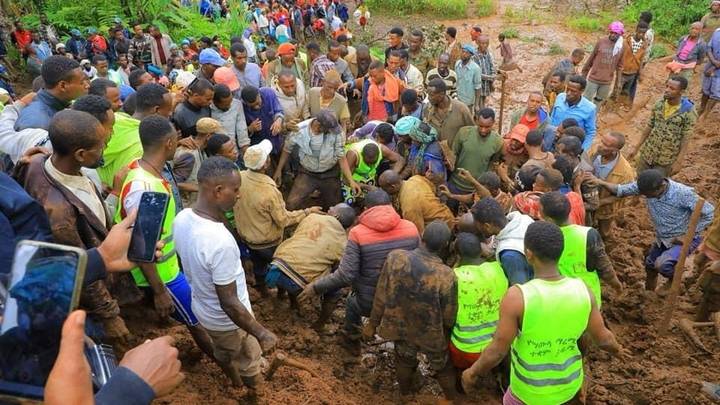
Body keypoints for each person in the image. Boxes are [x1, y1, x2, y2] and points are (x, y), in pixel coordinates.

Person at [461, 221, 627, 404]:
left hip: (528, 393)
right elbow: (603, 339)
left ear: (528, 254)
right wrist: (618, 351)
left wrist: (472, 372)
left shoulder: (517, 297)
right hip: (568, 388)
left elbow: (498, 351)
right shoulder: (583, 290)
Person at [13, 106, 130, 340]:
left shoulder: (38, 160)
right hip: (86, 303)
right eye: (102, 146)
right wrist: (110, 315)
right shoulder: (59, 214)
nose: (105, 149)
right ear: (80, 155)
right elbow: (78, 266)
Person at [174, 157, 277, 400]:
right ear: (219, 191)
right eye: (236, 189)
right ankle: (252, 389)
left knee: (223, 351)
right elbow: (229, 302)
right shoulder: (219, 242)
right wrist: (262, 333)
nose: (239, 195)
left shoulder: (183, 218)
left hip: (203, 310)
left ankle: (232, 377)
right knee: (249, 357)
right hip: (229, 322)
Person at [115, 115, 216, 359]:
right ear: (169, 143)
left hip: (164, 268)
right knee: (198, 323)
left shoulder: (137, 170)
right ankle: (234, 373)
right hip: (162, 275)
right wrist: (159, 290)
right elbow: (142, 246)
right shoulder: (149, 190)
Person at [300, 189, 419, 358]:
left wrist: (316, 287)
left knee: (351, 303)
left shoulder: (358, 233)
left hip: (369, 303)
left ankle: (351, 341)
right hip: (405, 301)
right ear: (391, 206)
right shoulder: (411, 229)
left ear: (366, 209)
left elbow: (346, 275)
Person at [364, 221, 458, 401]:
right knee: (443, 366)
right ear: (445, 245)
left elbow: (381, 294)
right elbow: (449, 316)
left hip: (399, 325)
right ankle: (451, 398)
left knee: (404, 359)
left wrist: (372, 324)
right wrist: (446, 335)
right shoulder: (446, 275)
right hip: (430, 332)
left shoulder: (395, 258)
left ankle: (405, 395)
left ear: (422, 236)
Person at [594, 169, 715, 291]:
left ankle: (677, 281)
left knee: (663, 265)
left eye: (648, 195)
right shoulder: (647, 187)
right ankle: (649, 293)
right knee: (650, 266)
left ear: (661, 187)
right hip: (662, 238)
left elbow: (709, 212)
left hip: (682, 239)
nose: (645, 197)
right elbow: (621, 190)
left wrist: (688, 235)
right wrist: (600, 182)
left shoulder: (682, 194)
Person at [234, 139, 321, 295]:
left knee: (258, 266)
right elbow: (283, 220)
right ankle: (281, 293)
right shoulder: (269, 191)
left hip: (247, 237)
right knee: (278, 267)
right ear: (266, 164)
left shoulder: (238, 177)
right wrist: (307, 212)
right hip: (267, 241)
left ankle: (263, 290)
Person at [267, 203, 356, 329]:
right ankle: (319, 325)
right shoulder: (343, 242)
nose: (328, 208)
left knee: (296, 253)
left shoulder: (312, 217)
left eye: (332, 208)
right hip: (298, 285)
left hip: (274, 269)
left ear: (335, 215)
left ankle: (289, 301)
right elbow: (339, 273)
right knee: (334, 290)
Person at [540, 191, 623, 307]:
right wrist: (617, 286)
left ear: (548, 219)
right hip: (588, 299)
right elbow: (604, 267)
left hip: (559, 302)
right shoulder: (588, 234)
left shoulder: (541, 238)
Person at [449, 232, 508, 370]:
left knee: (460, 369)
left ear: (458, 255)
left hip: (464, 347)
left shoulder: (454, 276)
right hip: (496, 346)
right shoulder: (498, 269)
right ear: (481, 249)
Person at [275, 110, 353, 210]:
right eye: (328, 130)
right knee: (290, 204)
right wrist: (278, 170)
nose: (331, 132)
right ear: (318, 126)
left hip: (330, 174)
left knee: (335, 207)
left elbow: (341, 157)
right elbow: (287, 149)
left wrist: (351, 181)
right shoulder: (299, 129)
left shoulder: (336, 132)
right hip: (307, 173)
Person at [628, 76, 696, 176]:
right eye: (667, 86)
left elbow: (686, 137)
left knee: (655, 187)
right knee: (640, 181)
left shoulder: (688, 111)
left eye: (672, 88)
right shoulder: (659, 104)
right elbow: (649, 126)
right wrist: (636, 148)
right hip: (648, 153)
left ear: (681, 92)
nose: (667, 90)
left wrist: (679, 161)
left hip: (666, 160)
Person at [582, 132, 635, 239]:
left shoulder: (625, 171)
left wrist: (599, 203)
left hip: (605, 208)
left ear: (615, 150)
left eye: (606, 145)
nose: (601, 145)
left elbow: (622, 194)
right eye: (602, 141)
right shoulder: (594, 151)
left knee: (604, 232)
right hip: (586, 199)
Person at [472, 197, 535, 285]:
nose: (477, 229)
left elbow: (520, 288)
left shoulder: (510, 255)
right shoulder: (523, 219)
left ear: (487, 226)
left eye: (477, 225)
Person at [15, 56, 89, 131]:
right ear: (63, 86)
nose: (87, 85)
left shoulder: (55, 106)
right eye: (82, 82)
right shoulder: (37, 126)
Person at [449, 108, 502, 195]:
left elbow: (492, 164)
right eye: (480, 126)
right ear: (476, 121)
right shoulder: (464, 132)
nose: (483, 130)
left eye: (487, 127)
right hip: (455, 185)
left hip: (476, 190)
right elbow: (453, 155)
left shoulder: (498, 142)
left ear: (493, 123)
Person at [397, 167, 455, 234]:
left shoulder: (409, 206)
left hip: (442, 228)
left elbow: (417, 232)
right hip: (447, 216)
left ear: (393, 186)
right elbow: (433, 188)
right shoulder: (415, 178)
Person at [582, 22, 625, 106]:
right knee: (586, 100)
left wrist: (618, 82)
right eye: (611, 32)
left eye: (615, 33)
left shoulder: (621, 47)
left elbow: (620, 66)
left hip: (607, 81)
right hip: (594, 78)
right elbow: (591, 58)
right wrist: (584, 73)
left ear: (620, 34)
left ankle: (593, 117)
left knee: (598, 102)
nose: (613, 35)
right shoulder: (601, 42)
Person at [550, 74, 597, 150]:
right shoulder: (560, 97)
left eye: (573, 91)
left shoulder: (590, 108)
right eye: (567, 89)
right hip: (552, 141)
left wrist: (582, 150)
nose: (568, 93)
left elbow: (590, 133)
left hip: (569, 148)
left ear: (582, 91)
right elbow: (552, 116)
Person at [423, 78, 473, 147]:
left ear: (442, 94)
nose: (428, 98)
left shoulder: (461, 109)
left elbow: (472, 132)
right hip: (436, 155)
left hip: (456, 155)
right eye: (428, 94)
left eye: (431, 95)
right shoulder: (427, 110)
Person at [240, 85, 285, 154]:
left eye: (258, 103)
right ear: (246, 103)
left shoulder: (268, 93)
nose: (256, 107)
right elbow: (241, 133)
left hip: (276, 138)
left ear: (259, 95)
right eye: (252, 106)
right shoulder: (241, 107)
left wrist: (278, 120)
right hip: (259, 143)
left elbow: (278, 110)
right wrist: (250, 129)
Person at [210, 83, 249, 160]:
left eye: (230, 101)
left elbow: (242, 129)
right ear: (215, 102)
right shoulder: (208, 109)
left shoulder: (237, 104)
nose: (229, 106)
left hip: (235, 152)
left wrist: (246, 150)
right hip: (218, 156)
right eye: (226, 105)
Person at [618, 22, 649, 107]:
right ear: (636, 30)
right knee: (617, 89)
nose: (641, 34)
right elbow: (620, 55)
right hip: (623, 71)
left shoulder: (643, 45)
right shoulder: (626, 41)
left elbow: (641, 60)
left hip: (633, 72)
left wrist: (640, 73)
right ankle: (611, 106)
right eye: (639, 32)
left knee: (626, 91)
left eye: (643, 33)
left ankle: (620, 106)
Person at [473, 35, 500, 111]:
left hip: (486, 84)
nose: (484, 45)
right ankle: (478, 118)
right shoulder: (474, 55)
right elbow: (476, 73)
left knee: (483, 101)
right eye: (482, 43)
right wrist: (490, 77)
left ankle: (481, 117)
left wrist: (492, 80)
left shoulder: (489, 54)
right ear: (478, 43)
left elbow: (492, 66)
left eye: (486, 43)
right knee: (478, 103)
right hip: (477, 84)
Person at [455, 44, 483, 115]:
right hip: (457, 99)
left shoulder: (475, 68)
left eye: (466, 53)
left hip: (468, 102)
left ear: (471, 55)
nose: (463, 54)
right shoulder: (457, 64)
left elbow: (478, 87)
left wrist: (476, 104)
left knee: (467, 120)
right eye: (463, 52)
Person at [700, 27, 720, 120]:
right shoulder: (717, 31)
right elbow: (709, 48)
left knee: (716, 94)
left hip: (716, 69)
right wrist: (713, 61)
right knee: (705, 90)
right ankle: (701, 109)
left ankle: (705, 114)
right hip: (711, 65)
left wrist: (714, 67)